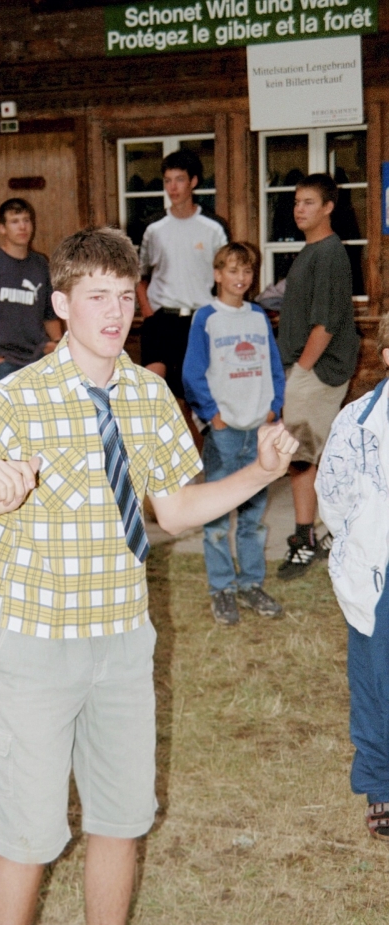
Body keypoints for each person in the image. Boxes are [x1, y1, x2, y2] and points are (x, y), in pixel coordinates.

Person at [0, 226, 298, 925]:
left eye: (126, 297)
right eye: (97, 297)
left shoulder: (149, 396)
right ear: (61, 304)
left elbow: (174, 511)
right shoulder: (16, 399)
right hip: (36, 646)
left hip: (123, 642)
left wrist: (259, 473)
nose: (116, 313)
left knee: (120, 823)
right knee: (28, 837)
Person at [183, 242, 286, 626]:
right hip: (225, 432)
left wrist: (274, 407)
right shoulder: (206, 318)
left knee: (253, 517)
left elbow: (273, 367)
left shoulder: (258, 316)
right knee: (216, 516)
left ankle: (251, 583)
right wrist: (213, 416)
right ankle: (222, 589)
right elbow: (192, 373)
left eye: (246, 271)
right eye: (232, 270)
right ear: (217, 274)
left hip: (259, 429)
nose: (240, 278)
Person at [316, 316, 389, 840]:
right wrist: (363, 543)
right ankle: (380, 780)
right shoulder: (357, 422)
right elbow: (333, 497)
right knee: (374, 681)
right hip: (377, 569)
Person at [276, 173, 360, 580]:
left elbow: (326, 324)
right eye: (296, 202)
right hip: (303, 369)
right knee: (308, 457)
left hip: (315, 371)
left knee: (300, 457)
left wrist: (301, 371)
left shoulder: (329, 253)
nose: (299, 209)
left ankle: (305, 540)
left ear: (328, 207)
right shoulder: (312, 251)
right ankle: (322, 533)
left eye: (309, 202)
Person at [136, 148, 228, 402]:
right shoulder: (153, 227)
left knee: (194, 398)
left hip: (200, 320)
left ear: (193, 181)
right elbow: (139, 276)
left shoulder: (214, 227)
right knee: (153, 395)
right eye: (167, 181)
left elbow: (227, 278)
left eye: (179, 180)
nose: (172, 187)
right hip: (160, 320)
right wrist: (149, 314)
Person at [0, 198, 62, 389]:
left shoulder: (41, 265)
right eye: (15, 222)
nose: (22, 227)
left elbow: (50, 315)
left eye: (26, 220)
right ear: (2, 228)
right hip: (3, 360)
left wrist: (57, 344)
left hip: (37, 357)